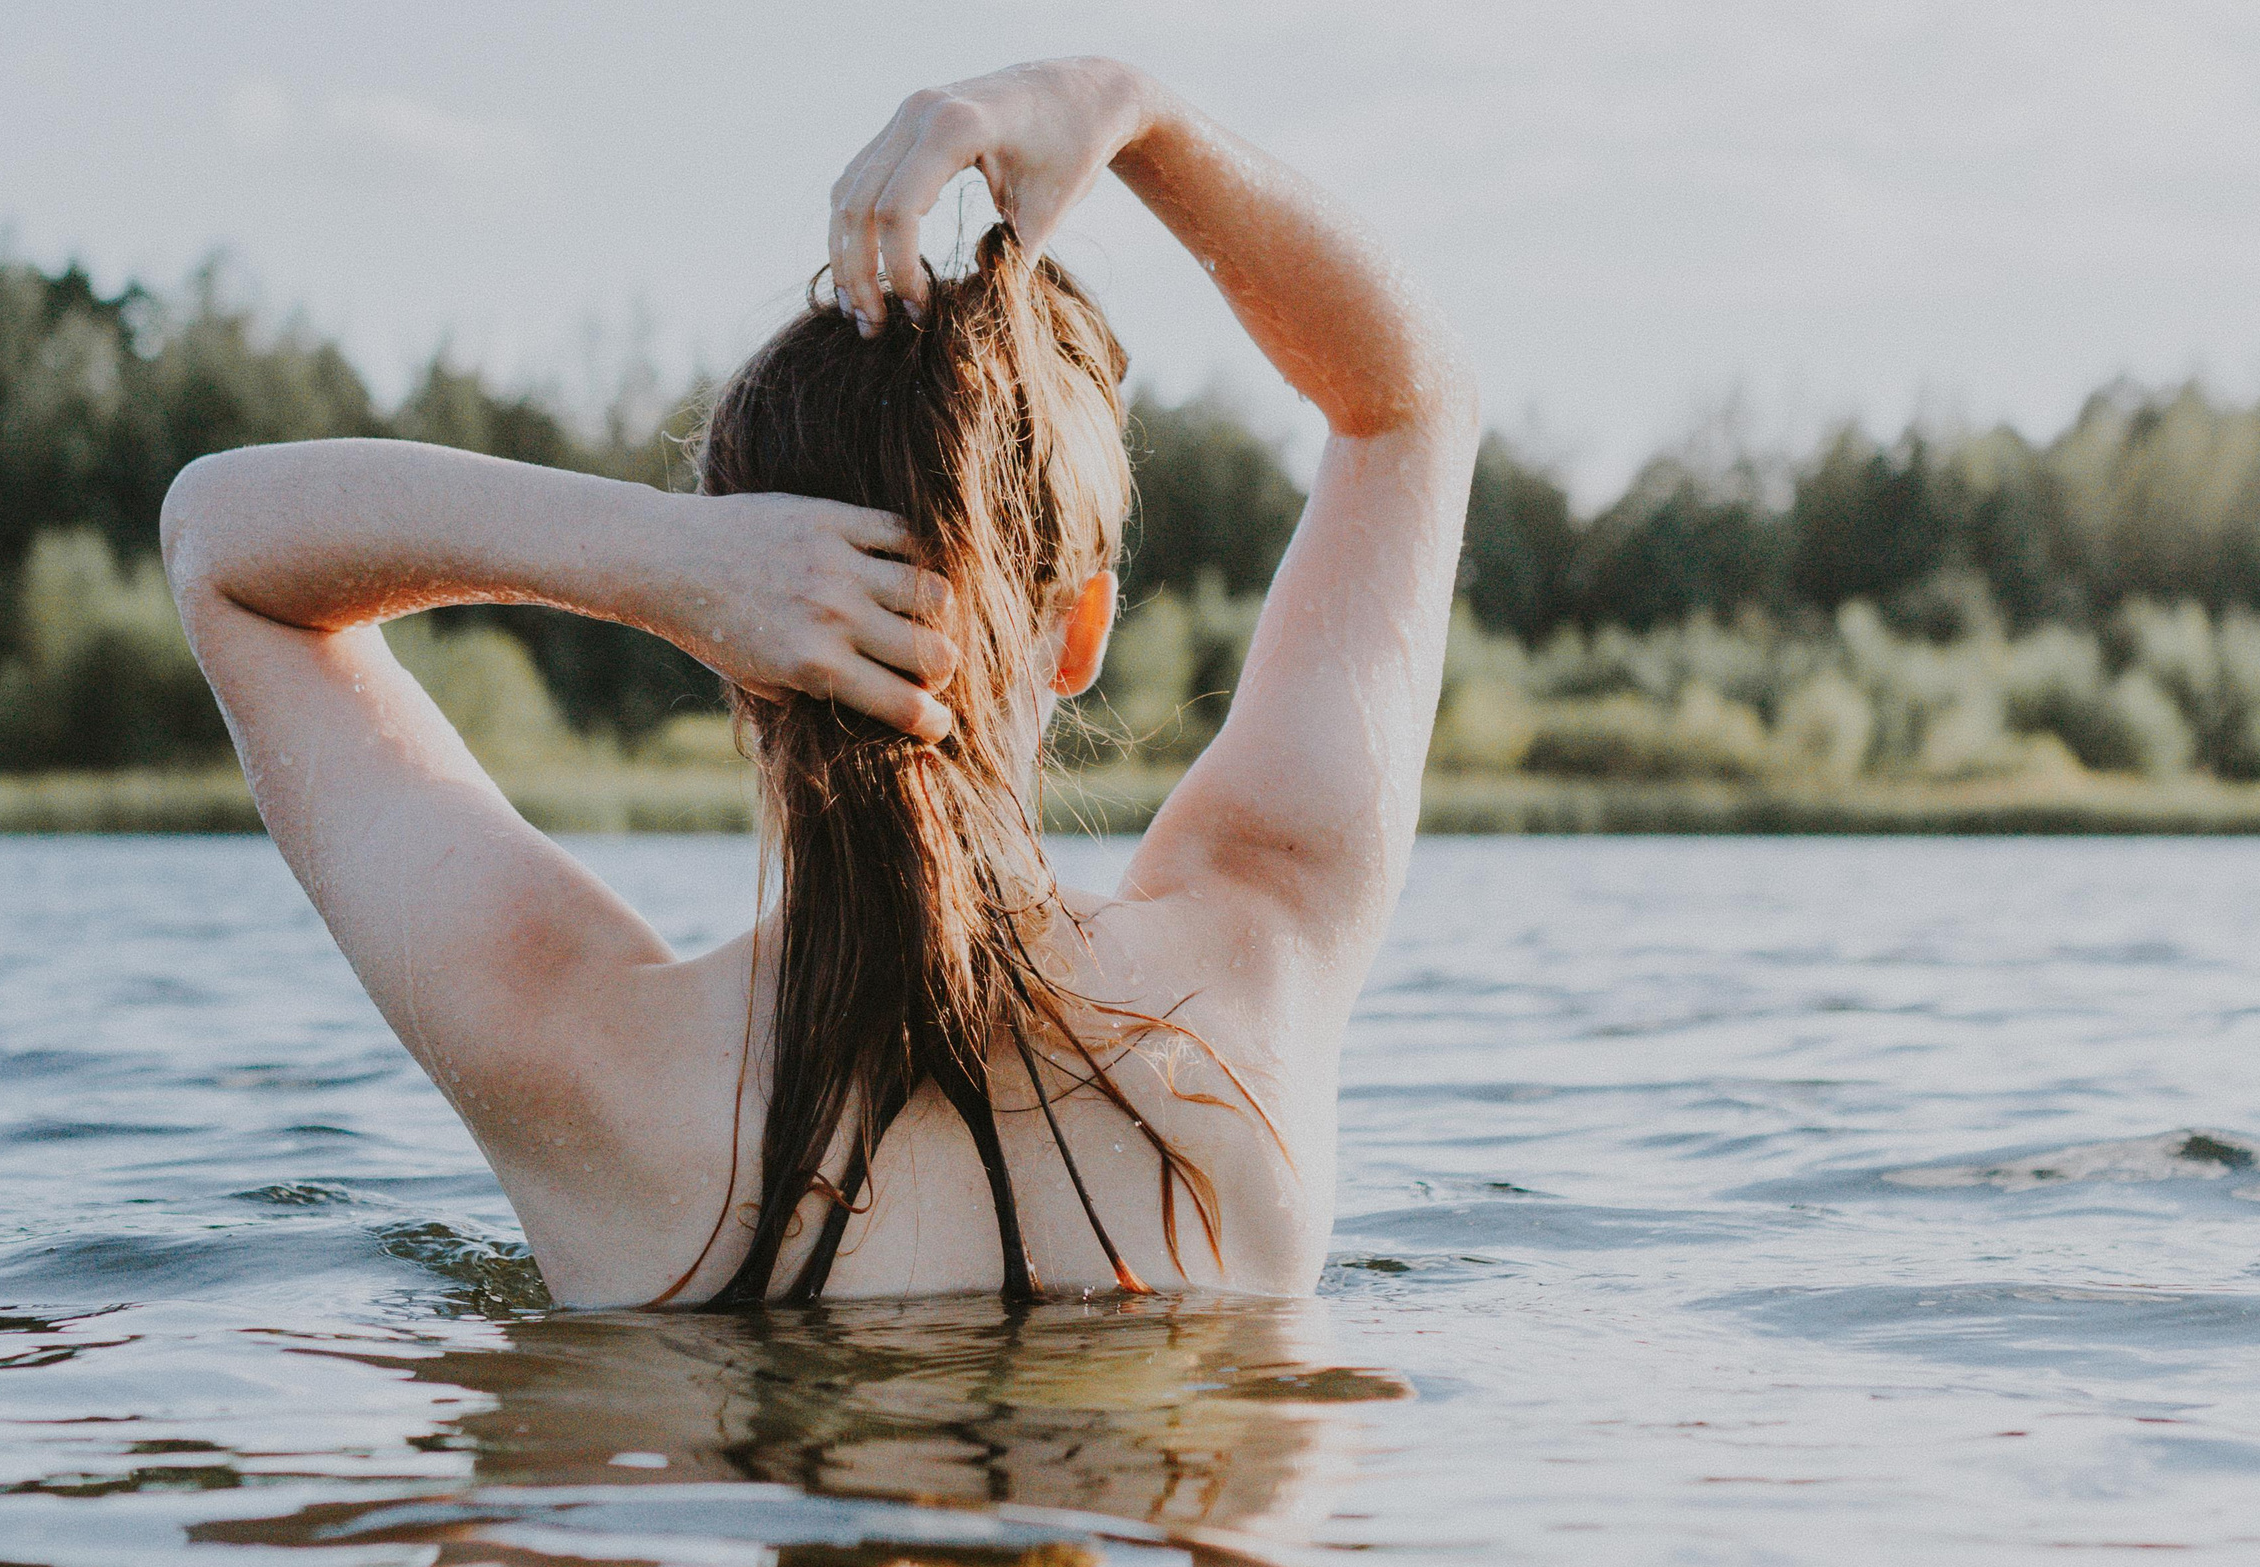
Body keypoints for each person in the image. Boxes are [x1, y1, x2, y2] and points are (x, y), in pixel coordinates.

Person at [161, 56, 1478, 1309]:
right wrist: (1130, 111)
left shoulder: (577, 1061)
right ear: (1080, 631)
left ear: (735, 658)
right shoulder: (1251, 975)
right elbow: (1410, 401)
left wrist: (658, 558)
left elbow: (220, 545)